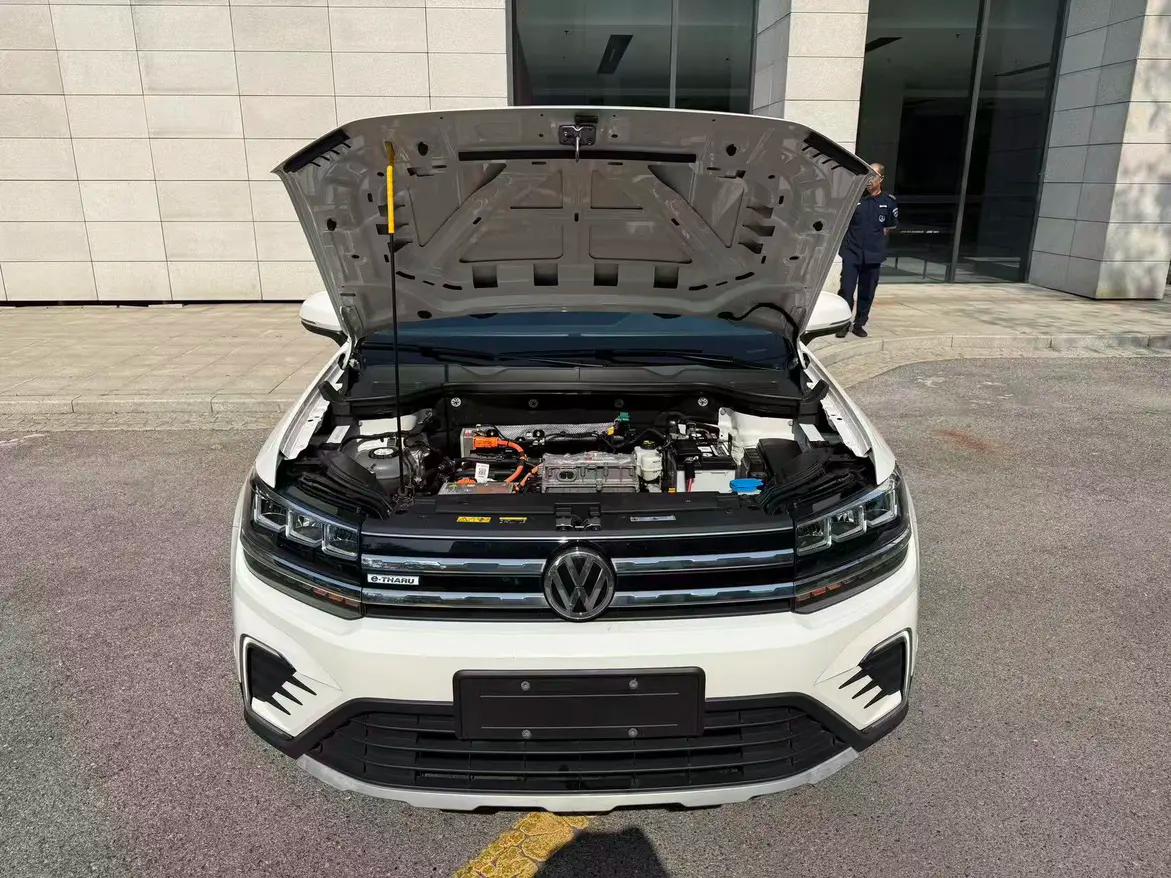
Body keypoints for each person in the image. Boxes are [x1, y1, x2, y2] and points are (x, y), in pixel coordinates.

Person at [836, 162, 898, 339]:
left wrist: (875, 244)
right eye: (868, 175)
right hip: (852, 252)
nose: (869, 180)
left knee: (867, 291)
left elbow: (888, 227)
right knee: (846, 290)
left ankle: (859, 324)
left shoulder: (888, 202)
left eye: (873, 176)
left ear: (881, 179)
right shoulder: (855, 198)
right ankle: (843, 323)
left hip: (873, 255)